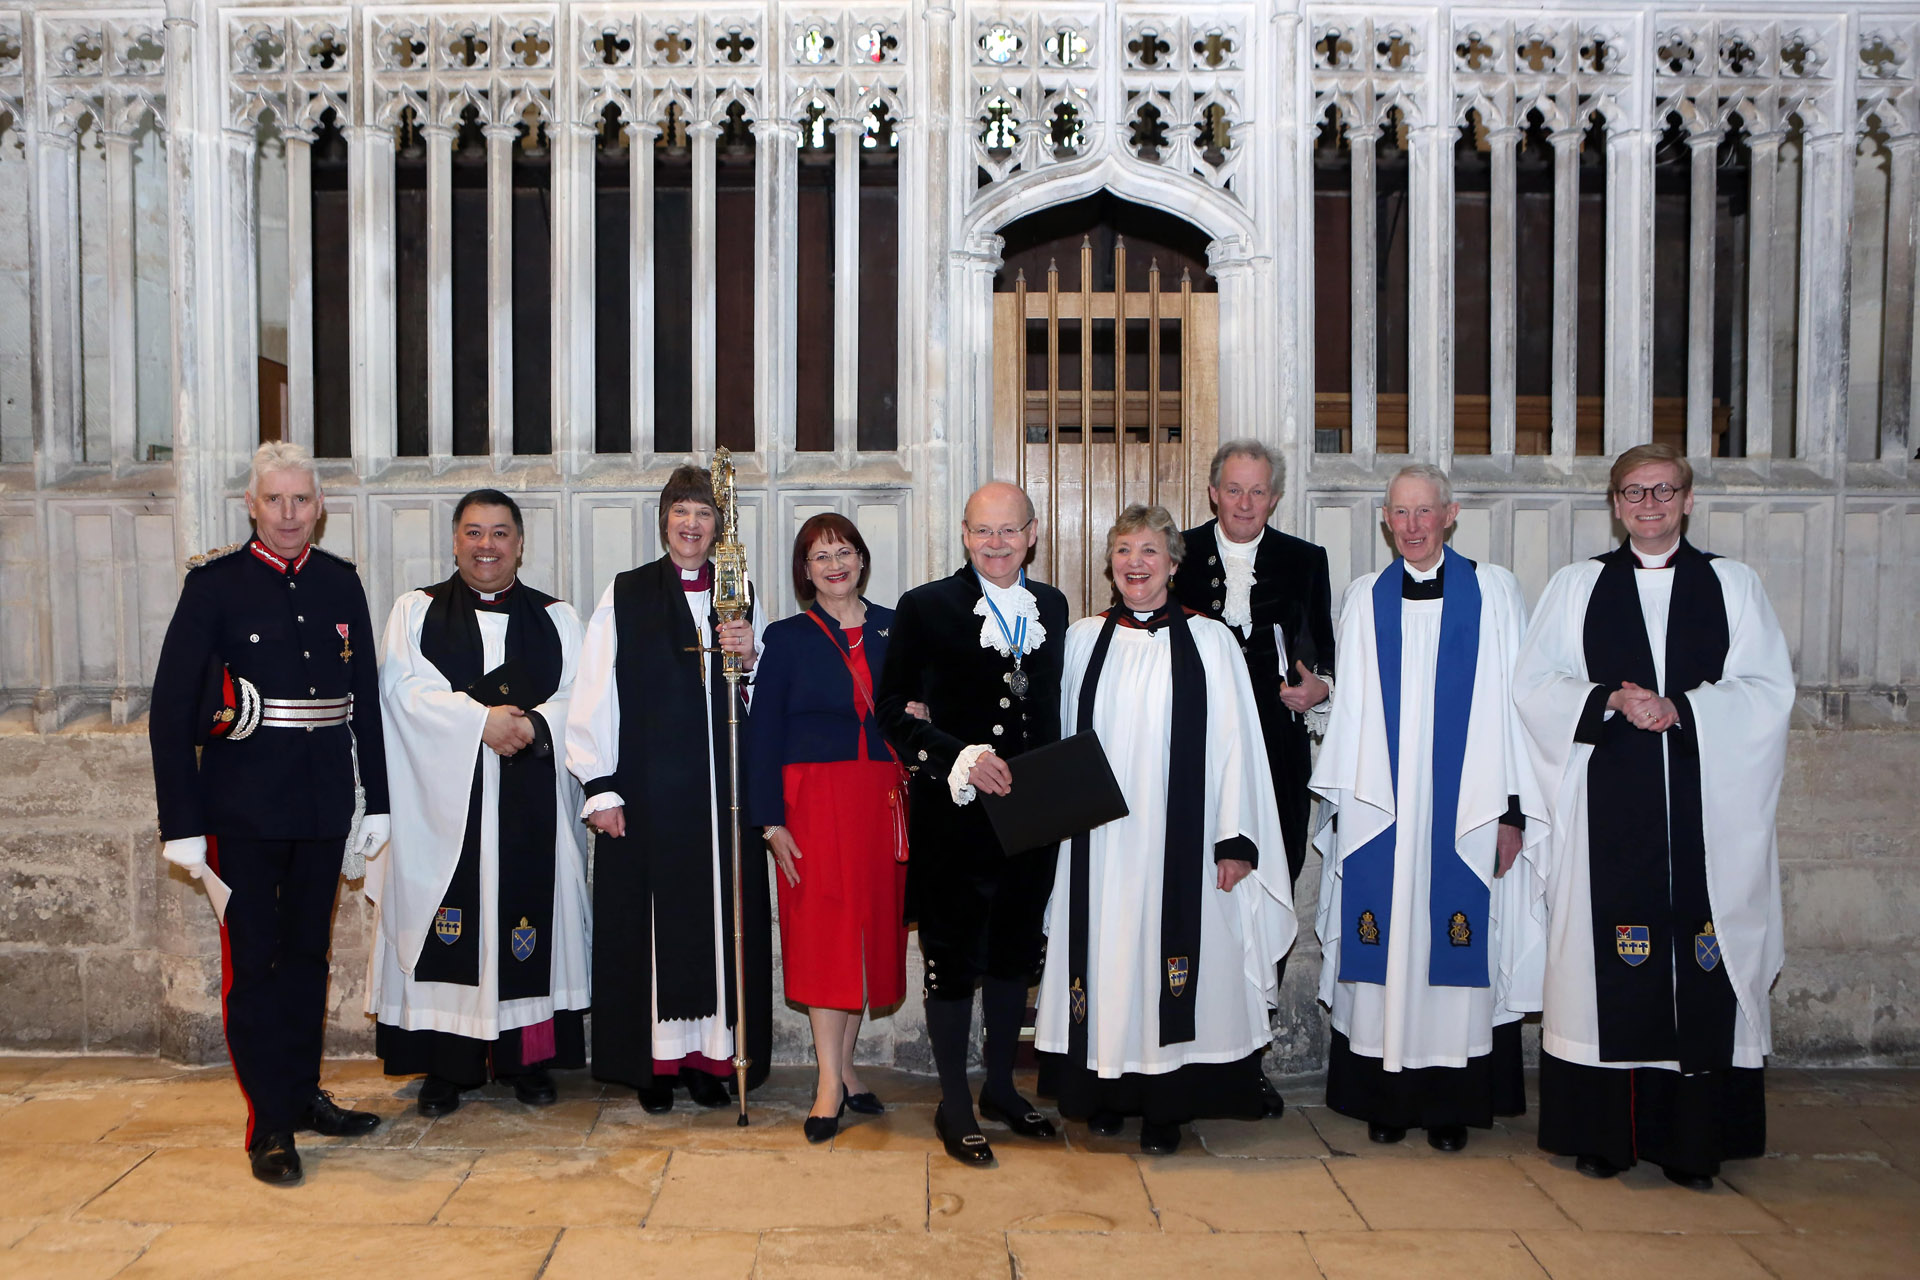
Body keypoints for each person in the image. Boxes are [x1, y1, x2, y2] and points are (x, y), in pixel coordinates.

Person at [1514, 443, 1793, 1189]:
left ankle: (1690, 1146)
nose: (1648, 505)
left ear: (1689, 499)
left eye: (1663, 491)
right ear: (1614, 504)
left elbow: (1768, 690)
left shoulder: (1733, 586)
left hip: (1706, 817)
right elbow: (1534, 685)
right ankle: (1605, 1137)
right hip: (1607, 812)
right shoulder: (1578, 588)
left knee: (1700, 959)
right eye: (1633, 493)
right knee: (1603, 967)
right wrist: (1606, 697)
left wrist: (1687, 708)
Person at [148, 441, 390, 1185]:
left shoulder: (340, 583)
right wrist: (182, 823)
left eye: (302, 500)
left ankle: (301, 1092)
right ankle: (269, 1125)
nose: (289, 514)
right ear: (251, 505)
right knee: (254, 965)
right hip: (243, 805)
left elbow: (365, 703)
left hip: (321, 802)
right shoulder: (215, 586)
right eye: (275, 500)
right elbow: (169, 710)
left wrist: (375, 801)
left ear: (320, 507)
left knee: (309, 958)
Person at [1034, 504, 1297, 1155]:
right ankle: (1104, 1094)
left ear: (1173, 563)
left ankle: (1164, 1110)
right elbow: (1057, 738)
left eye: (1149, 551)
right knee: (1107, 965)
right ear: (1110, 563)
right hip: (1099, 845)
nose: (1135, 564)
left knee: (1170, 970)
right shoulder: (1083, 640)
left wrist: (1237, 840)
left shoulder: (1210, 641)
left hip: (1184, 842)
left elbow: (1240, 743)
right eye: (1123, 550)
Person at [1308, 465, 1547, 1153]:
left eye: (1425, 512)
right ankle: (1386, 1095)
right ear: (1386, 519)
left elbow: (1518, 711)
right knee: (1386, 947)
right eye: (1400, 514)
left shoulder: (1494, 592)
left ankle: (1449, 1104)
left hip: (1465, 815)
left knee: (1455, 945)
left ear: (1451, 513)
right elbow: (1350, 712)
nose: (1412, 526)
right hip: (1383, 815)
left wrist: (1512, 811)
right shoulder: (1364, 598)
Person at [367, 490, 591, 1117]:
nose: (486, 545)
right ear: (456, 541)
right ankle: (447, 1066)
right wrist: (478, 723)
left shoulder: (556, 617)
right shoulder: (416, 612)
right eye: (474, 532)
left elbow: (584, 696)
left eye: (499, 533)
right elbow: (398, 695)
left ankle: (529, 1059)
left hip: (531, 803)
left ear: (520, 544)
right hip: (444, 807)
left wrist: (535, 727)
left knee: (528, 922)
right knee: (451, 921)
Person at [566, 465, 771, 1112]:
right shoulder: (625, 594)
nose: (691, 524)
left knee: (717, 924)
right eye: (681, 512)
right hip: (649, 794)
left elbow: (756, 699)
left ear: (719, 526)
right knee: (650, 931)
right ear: (664, 521)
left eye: (703, 513)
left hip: (721, 795)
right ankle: (652, 1067)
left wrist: (749, 657)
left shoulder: (738, 592)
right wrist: (600, 787)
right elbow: (593, 692)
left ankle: (711, 1061)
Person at [877, 481, 1069, 1166]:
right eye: (984, 531)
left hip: (1031, 816)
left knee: (1016, 954)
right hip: (955, 818)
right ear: (964, 534)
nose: (996, 543)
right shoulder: (925, 607)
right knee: (954, 961)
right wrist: (960, 756)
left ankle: (1000, 1091)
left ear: (1033, 533)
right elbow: (892, 711)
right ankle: (954, 1101)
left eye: (1009, 531)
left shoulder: (1051, 606)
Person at [1172, 440, 1334, 1118]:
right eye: (1233, 489)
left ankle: (1249, 1063)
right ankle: (1185, 1051)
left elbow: (1321, 652)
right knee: (1197, 900)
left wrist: (1318, 690)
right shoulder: (1172, 550)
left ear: (1274, 497)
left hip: (1278, 757)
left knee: (1264, 894)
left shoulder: (1304, 560)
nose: (1244, 502)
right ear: (1213, 493)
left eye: (1257, 491)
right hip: (1195, 755)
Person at [746, 514, 917, 1142]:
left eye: (844, 551)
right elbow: (763, 732)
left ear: (862, 560)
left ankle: (845, 1070)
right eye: (820, 556)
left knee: (867, 932)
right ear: (805, 571)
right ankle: (826, 1085)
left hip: (881, 801)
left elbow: (916, 709)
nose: (834, 564)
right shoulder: (786, 638)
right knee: (823, 935)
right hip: (812, 804)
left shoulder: (897, 626)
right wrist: (770, 822)